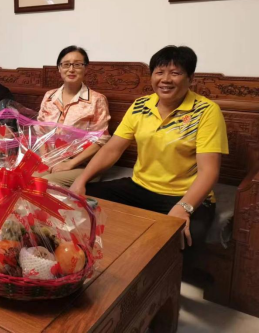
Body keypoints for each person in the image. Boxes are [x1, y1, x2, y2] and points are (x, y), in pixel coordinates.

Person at [71, 46, 228, 248]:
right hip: (140, 187)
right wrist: (82, 179)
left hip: (184, 194)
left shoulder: (206, 111)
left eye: (175, 73)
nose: (166, 79)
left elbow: (209, 171)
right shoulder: (140, 105)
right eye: (159, 72)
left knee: (188, 236)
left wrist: (183, 208)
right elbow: (112, 149)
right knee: (80, 199)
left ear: (190, 78)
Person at [37, 46, 111, 187]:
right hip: (51, 160)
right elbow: (41, 131)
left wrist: (70, 164)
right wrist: (46, 159)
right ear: (59, 68)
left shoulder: (96, 99)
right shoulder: (49, 97)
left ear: (85, 68)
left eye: (77, 64)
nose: (71, 69)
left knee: (46, 183)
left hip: (82, 165)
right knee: (23, 177)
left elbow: (101, 139)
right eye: (66, 64)